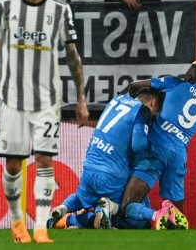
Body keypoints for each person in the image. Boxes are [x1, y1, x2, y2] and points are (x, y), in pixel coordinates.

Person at [0, 0, 90, 243]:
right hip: (11, 100)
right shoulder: (6, 5)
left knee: (45, 159)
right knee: (14, 164)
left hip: (47, 102)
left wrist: (81, 99)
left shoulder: (60, 10)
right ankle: (16, 223)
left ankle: (40, 226)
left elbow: (73, 56)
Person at [103, 60, 196, 230]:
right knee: (176, 215)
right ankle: (174, 231)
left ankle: (153, 216)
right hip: (178, 155)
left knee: (127, 206)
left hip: (156, 148)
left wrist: (129, 98)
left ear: (189, 76)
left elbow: (136, 85)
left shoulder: (174, 83)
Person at [48, 87, 166, 230]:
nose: (153, 116)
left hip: (89, 168)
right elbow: (138, 145)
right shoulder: (143, 111)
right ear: (153, 103)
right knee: (133, 219)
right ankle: (78, 218)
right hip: (112, 175)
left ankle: (63, 209)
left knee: (81, 196)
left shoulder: (116, 100)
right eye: (156, 112)